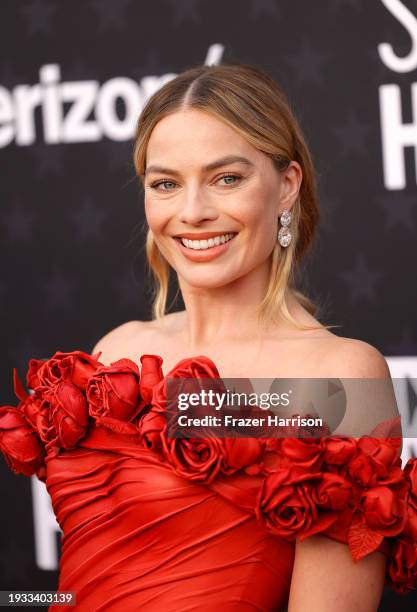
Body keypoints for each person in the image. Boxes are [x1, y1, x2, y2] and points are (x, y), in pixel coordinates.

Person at [1, 62, 416, 612]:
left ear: (287, 185)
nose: (192, 212)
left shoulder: (337, 375)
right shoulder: (116, 349)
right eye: (166, 184)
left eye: (227, 178)